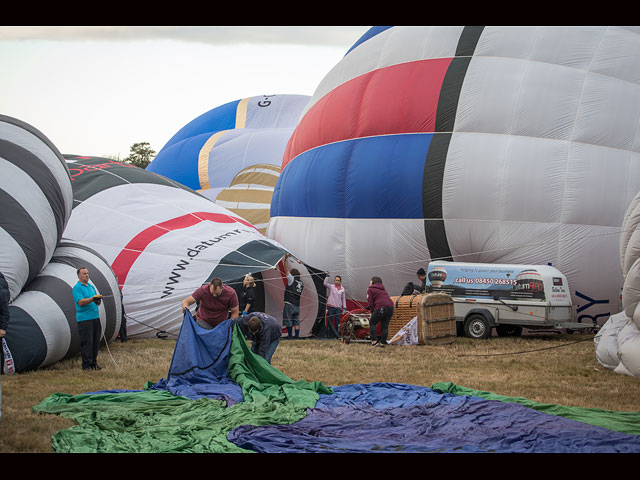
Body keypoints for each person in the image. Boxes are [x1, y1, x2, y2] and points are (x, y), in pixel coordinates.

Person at [72, 267, 103, 370]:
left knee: (95, 342)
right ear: (79, 275)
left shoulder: (91, 287)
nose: (87, 275)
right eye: (84, 273)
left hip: (95, 317)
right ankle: (86, 365)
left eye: (87, 273)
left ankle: (94, 363)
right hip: (85, 319)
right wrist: (92, 299)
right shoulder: (77, 288)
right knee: (87, 342)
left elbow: (94, 300)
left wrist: (97, 301)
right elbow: (80, 302)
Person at [366, 276, 394, 348]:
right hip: (391, 307)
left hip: (381, 307)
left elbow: (370, 302)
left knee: (372, 323)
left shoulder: (370, 289)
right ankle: (382, 343)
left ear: (372, 282)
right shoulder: (383, 289)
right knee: (384, 326)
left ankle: (374, 341)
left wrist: (372, 312)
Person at [283, 254, 304, 338]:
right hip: (297, 305)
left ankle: (290, 336)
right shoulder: (301, 283)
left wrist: (286, 259)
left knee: (288, 319)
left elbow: (286, 270)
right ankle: (297, 336)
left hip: (290, 303)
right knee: (296, 321)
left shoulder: (292, 279)